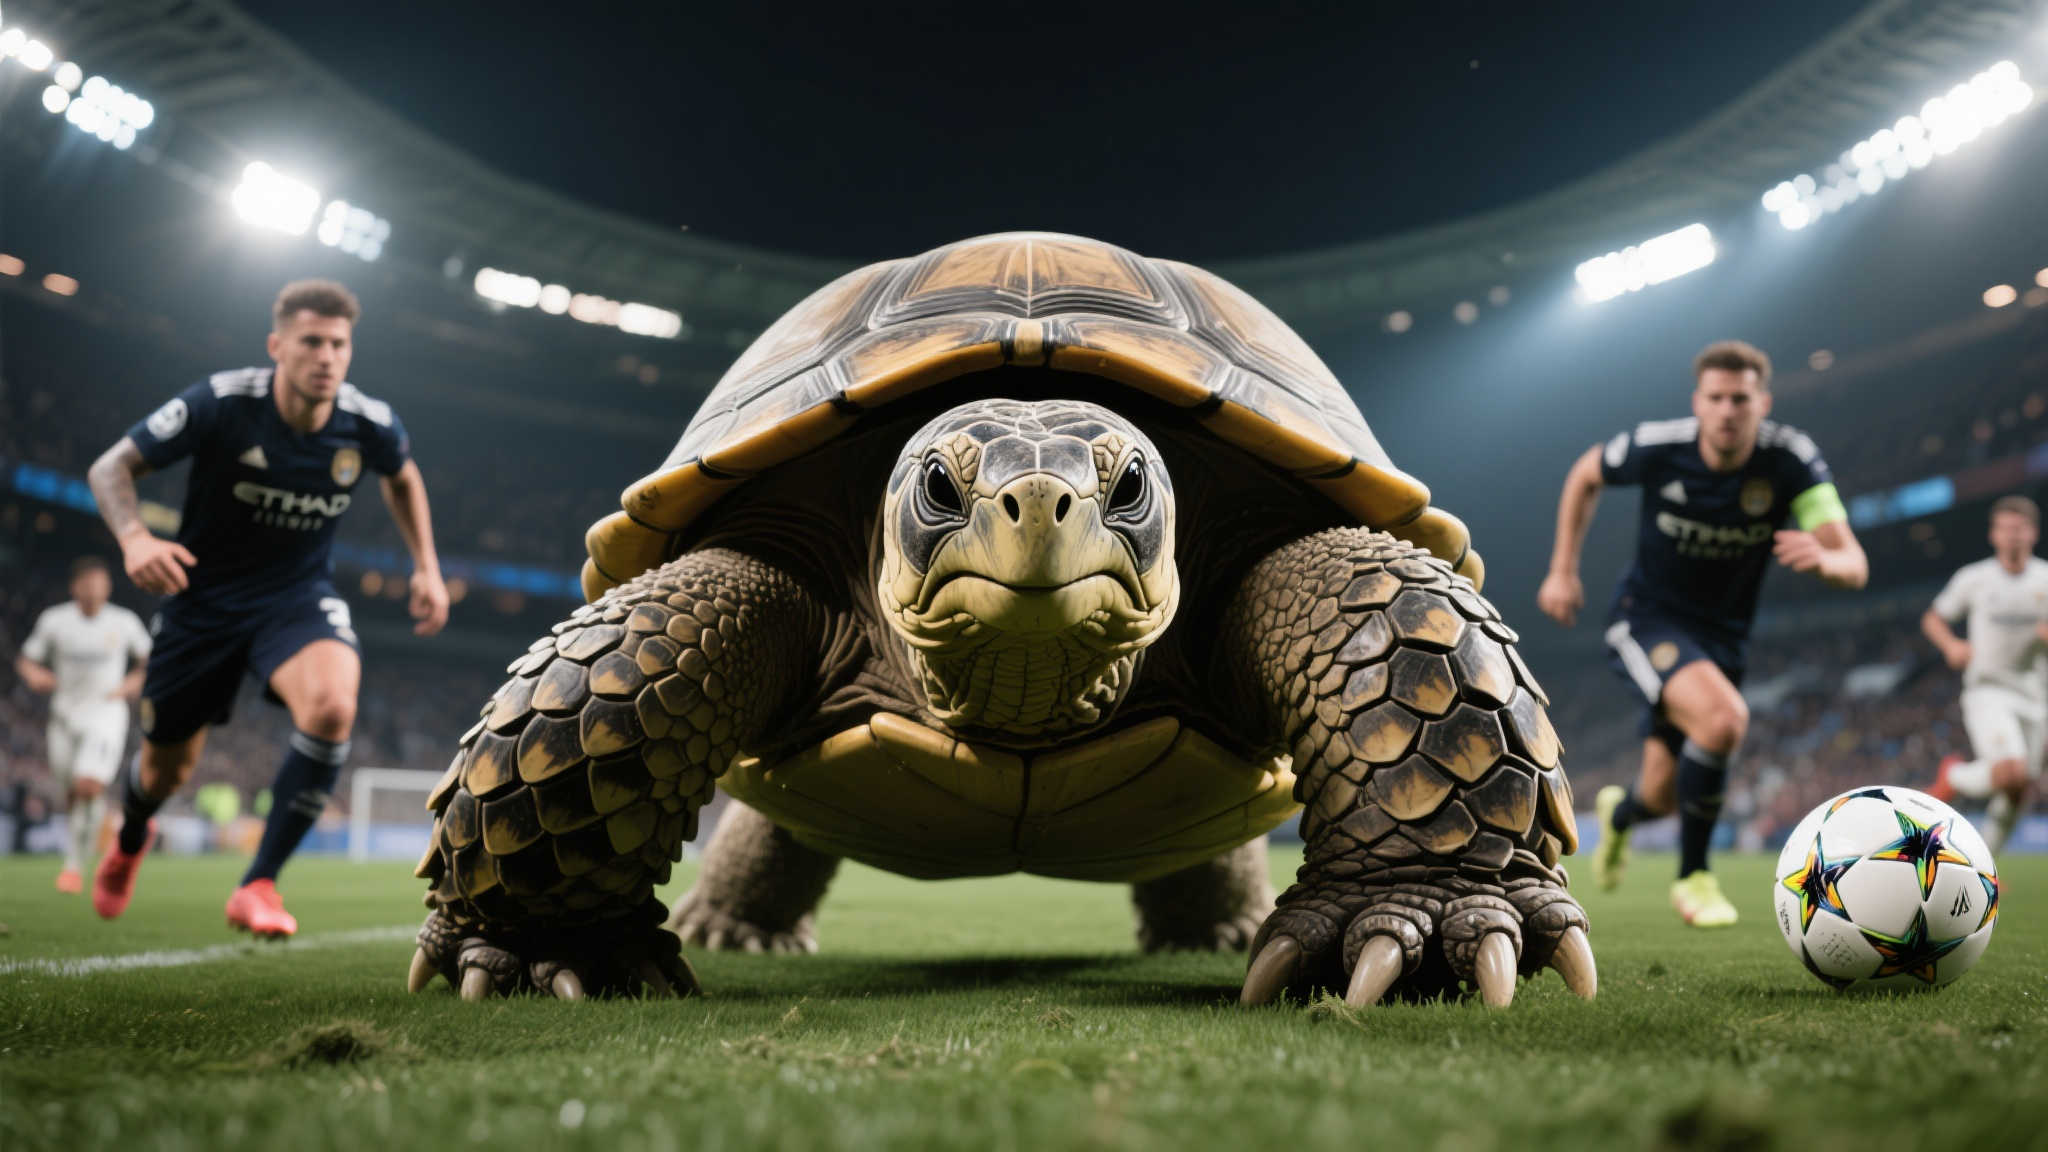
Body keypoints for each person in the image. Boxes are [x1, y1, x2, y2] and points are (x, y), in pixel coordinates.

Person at [84, 279, 449, 936]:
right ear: (277, 346)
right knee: (168, 769)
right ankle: (132, 836)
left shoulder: (367, 422)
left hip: (296, 598)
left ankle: (257, 884)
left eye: (339, 344)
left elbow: (403, 474)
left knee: (335, 705)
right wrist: (135, 538)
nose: (327, 357)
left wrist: (426, 565)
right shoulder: (222, 402)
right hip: (201, 601)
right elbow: (110, 467)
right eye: (311, 342)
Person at [1537, 340, 1867, 927]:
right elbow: (1586, 472)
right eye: (1716, 398)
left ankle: (1617, 819)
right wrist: (1563, 569)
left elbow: (1854, 565)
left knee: (1660, 797)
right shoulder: (1659, 446)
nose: (1727, 410)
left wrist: (1824, 559)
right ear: (1699, 402)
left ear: (1762, 403)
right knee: (1724, 719)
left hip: (1723, 641)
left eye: (1740, 399)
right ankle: (1694, 877)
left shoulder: (1791, 461)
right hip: (1647, 620)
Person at [14, 556, 152, 892]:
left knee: (88, 784)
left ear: (108, 588)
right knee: (73, 793)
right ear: (75, 587)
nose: (93, 590)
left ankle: (74, 865)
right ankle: (86, 844)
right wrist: (35, 675)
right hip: (63, 716)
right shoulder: (55, 621)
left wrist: (131, 684)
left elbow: (147, 660)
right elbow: (27, 658)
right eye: (87, 583)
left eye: (99, 583)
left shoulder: (124, 622)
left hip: (106, 714)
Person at [1925, 494, 2048, 856]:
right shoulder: (1975, 578)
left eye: (2019, 529)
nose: (2012, 536)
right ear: (1994, 535)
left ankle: (1987, 862)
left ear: (2033, 534)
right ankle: (1954, 776)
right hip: (1987, 689)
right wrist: (1951, 646)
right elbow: (1934, 618)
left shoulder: (2045, 578)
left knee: (2020, 787)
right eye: (2005, 529)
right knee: (2010, 772)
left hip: (2034, 694)